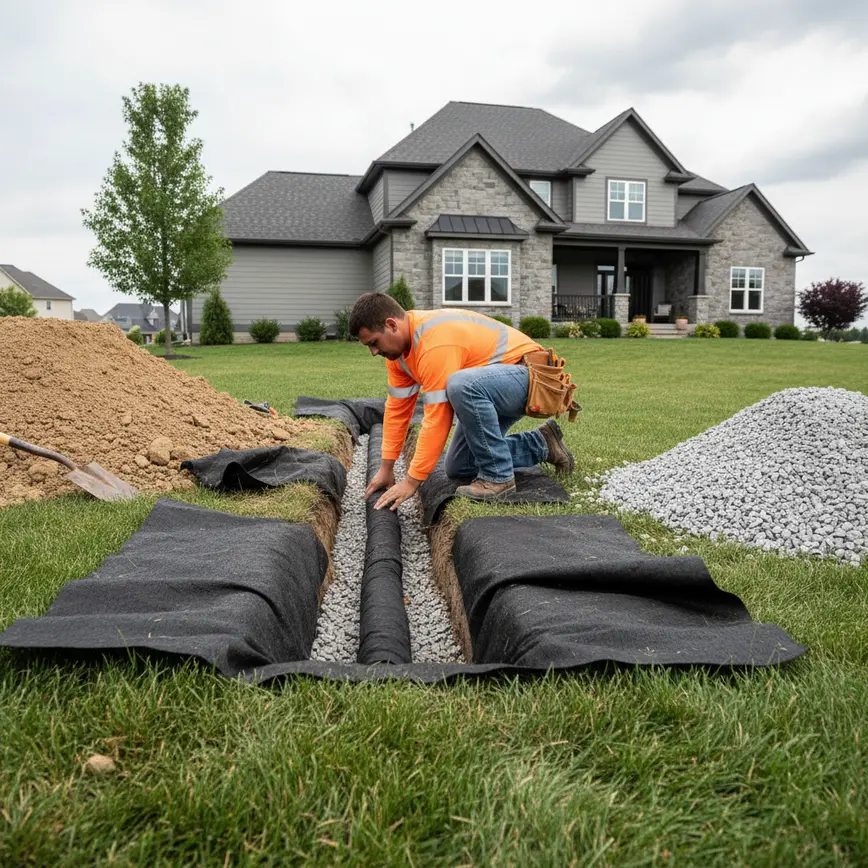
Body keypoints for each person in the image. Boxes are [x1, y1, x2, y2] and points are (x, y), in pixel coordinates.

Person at [348, 292, 575, 511]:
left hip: (531, 377)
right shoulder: (398, 357)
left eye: (374, 343)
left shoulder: (433, 342)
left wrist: (411, 482)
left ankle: (499, 478)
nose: (374, 352)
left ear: (391, 325)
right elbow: (397, 411)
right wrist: (386, 468)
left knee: (460, 384)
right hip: (493, 385)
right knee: (459, 465)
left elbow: (437, 417)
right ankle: (541, 443)